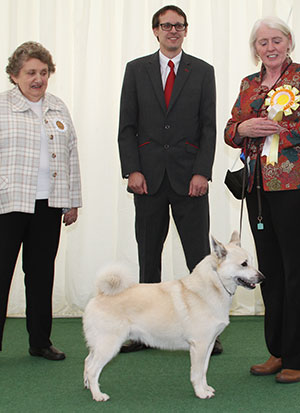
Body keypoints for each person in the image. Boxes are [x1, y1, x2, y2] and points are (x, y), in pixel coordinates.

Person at [118, 5, 221, 354]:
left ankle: (207, 332)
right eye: (166, 25)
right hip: (147, 179)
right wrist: (131, 169)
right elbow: (127, 126)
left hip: (190, 178)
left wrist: (202, 172)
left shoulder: (203, 71)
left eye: (178, 25)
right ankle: (144, 331)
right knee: (149, 253)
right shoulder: (136, 70)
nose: (172, 31)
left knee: (200, 259)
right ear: (156, 30)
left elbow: (208, 128)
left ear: (186, 30)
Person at [225, 17, 300, 383]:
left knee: (296, 271)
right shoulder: (248, 84)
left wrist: (283, 131)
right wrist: (243, 128)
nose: (269, 48)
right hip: (257, 188)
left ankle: (297, 356)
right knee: (269, 271)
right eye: (262, 42)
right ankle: (277, 350)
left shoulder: (299, 78)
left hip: (294, 186)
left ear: (289, 43)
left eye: (276, 41)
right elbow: (229, 129)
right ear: (255, 48)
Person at [0, 42, 82, 360]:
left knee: (40, 275)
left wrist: (73, 200)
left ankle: (40, 342)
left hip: (48, 204)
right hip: (8, 205)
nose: (38, 79)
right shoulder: (3, 107)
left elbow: (71, 154)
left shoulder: (58, 107)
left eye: (43, 72)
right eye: (31, 72)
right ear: (14, 75)